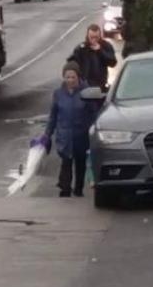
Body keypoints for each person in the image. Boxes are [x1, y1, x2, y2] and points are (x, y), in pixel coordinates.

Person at [43, 61, 98, 197]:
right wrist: (47, 134)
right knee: (66, 161)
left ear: (78, 77)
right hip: (64, 135)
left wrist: (94, 131)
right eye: (67, 77)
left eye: (73, 77)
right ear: (64, 77)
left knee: (80, 163)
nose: (70, 80)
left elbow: (94, 114)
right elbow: (53, 116)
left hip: (81, 135)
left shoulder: (86, 93)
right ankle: (65, 189)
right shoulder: (58, 94)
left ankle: (78, 189)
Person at [67, 24, 117, 93]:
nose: (94, 40)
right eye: (91, 37)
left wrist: (100, 51)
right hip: (84, 84)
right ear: (87, 36)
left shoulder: (105, 46)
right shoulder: (81, 48)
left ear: (100, 36)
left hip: (101, 84)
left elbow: (113, 62)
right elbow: (71, 64)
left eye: (96, 37)